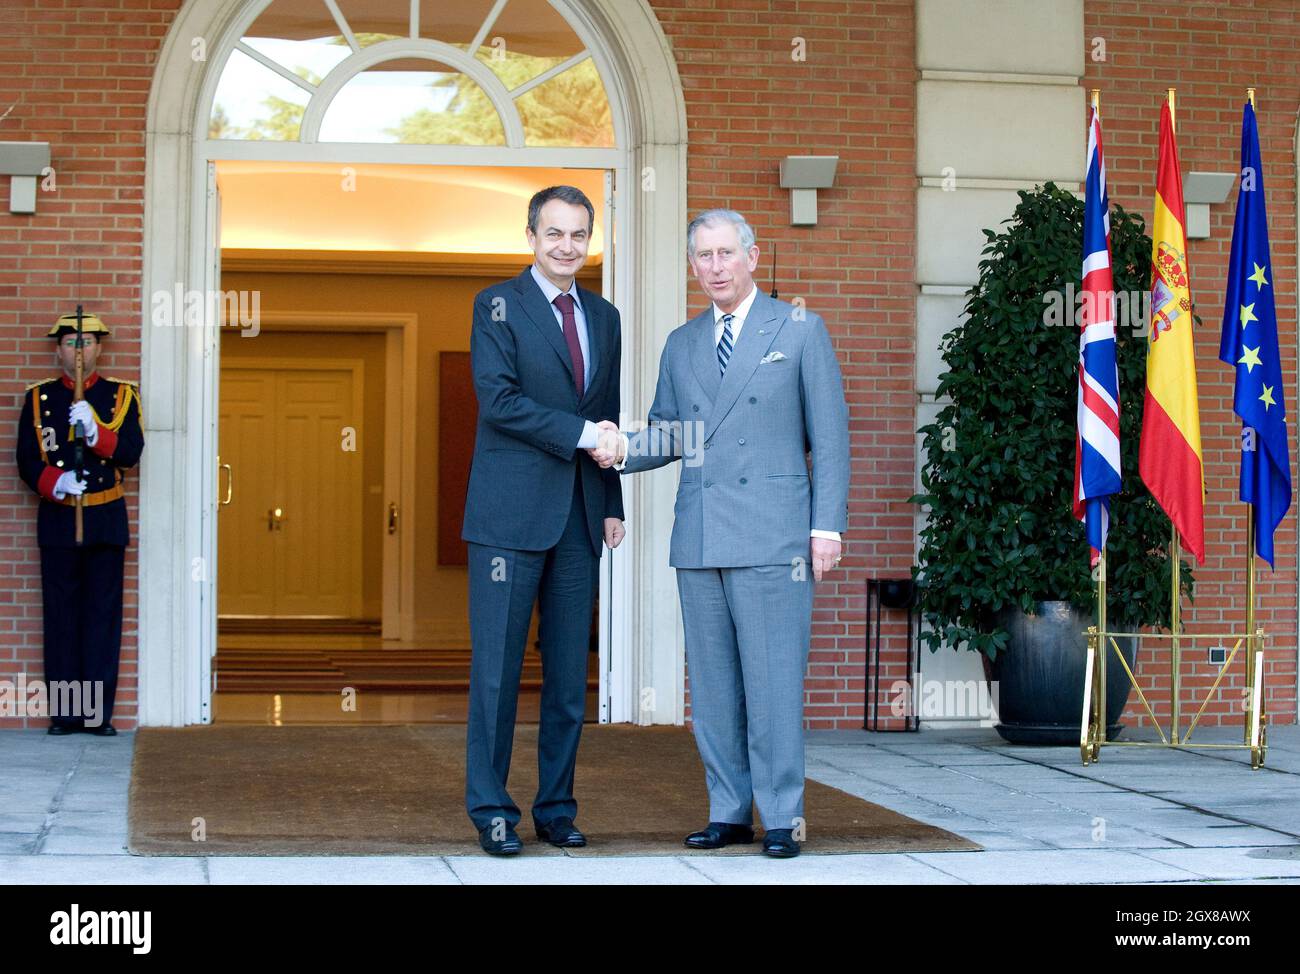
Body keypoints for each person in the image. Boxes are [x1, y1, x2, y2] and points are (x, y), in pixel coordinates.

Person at [591, 209, 849, 857]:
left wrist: (827, 527)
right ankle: (729, 810)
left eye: (726, 253)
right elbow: (672, 433)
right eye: (702, 256)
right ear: (692, 265)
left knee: (772, 682)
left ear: (753, 257)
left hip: (775, 538)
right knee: (712, 690)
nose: (715, 267)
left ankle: (784, 816)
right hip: (701, 537)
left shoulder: (799, 328)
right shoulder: (681, 344)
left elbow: (833, 438)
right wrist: (621, 448)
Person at [461, 185, 625, 856]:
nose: (567, 246)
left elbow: (607, 412)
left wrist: (612, 501)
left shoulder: (605, 316)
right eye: (554, 233)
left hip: (582, 516)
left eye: (579, 234)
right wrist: (585, 434)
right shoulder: (496, 305)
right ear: (530, 235)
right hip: (508, 518)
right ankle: (492, 811)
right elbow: (499, 401)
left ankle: (556, 807)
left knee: (567, 678)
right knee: (497, 675)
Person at [14, 312, 145, 736]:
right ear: (58, 351)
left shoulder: (121, 396)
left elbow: (129, 451)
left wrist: (95, 433)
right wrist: (58, 481)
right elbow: (26, 460)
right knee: (62, 617)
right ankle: (67, 715)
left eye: (87, 342)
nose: (79, 350)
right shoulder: (38, 398)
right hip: (58, 519)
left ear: (99, 349)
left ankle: (97, 716)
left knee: (102, 617)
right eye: (71, 343)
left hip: (104, 518)